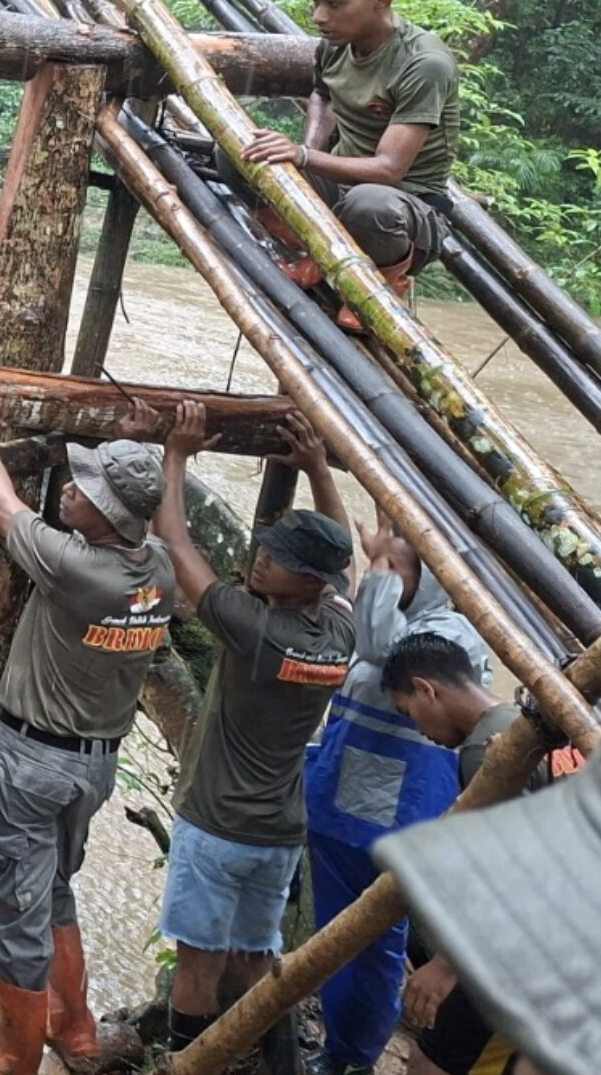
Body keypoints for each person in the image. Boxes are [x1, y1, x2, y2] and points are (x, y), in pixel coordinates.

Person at [0, 379, 173, 1075]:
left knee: (17, 895)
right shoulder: (156, 567)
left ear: (104, 514)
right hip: (95, 763)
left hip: (35, 759)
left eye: (81, 486)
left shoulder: (77, 566)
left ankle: (15, 1054)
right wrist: (143, 444)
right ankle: (72, 1024)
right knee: (53, 885)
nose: (67, 492)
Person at [154, 402, 355, 1074]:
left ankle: (187, 1063)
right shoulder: (338, 634)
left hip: (217, 824)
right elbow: (346, 564)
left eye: (281, 559)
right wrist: (321, 471)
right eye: (268, 548)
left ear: (309, 582)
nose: (262, 559)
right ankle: (281, 1067)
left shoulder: (256, 629)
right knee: (257, 958)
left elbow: (177, 544)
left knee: (198, 964)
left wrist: (177, 455)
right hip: (276, 829)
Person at [300, 514, 488, 1075]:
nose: (379, 572)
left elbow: (381, 646)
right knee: (334, 940)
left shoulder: (452, 635)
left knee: (378, 947)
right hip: (340, 806)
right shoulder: (385, 618)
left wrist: (378, 571)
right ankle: (336, 1044)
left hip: (396, 819)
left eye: (394, 566)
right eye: (377, 564)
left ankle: (353, 1056)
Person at [379, 633, 588, 1075]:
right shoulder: (533, 722)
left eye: (408, 712)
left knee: (431, 1064)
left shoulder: (487, 751)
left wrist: (445, 965)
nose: (419, 730)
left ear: (426, 690)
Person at [229, 0, 460, 332]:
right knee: (240, 151)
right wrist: (311, 148)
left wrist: (303, 157)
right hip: (341, 186)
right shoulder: (336, 44)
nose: (319, 16)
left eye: (334, 3)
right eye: (317, 1)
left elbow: (389, 169)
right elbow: (322, 93)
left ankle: (385, 277)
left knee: (369, 206)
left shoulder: (424, 63)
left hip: (402, 207)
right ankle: (310, 247)